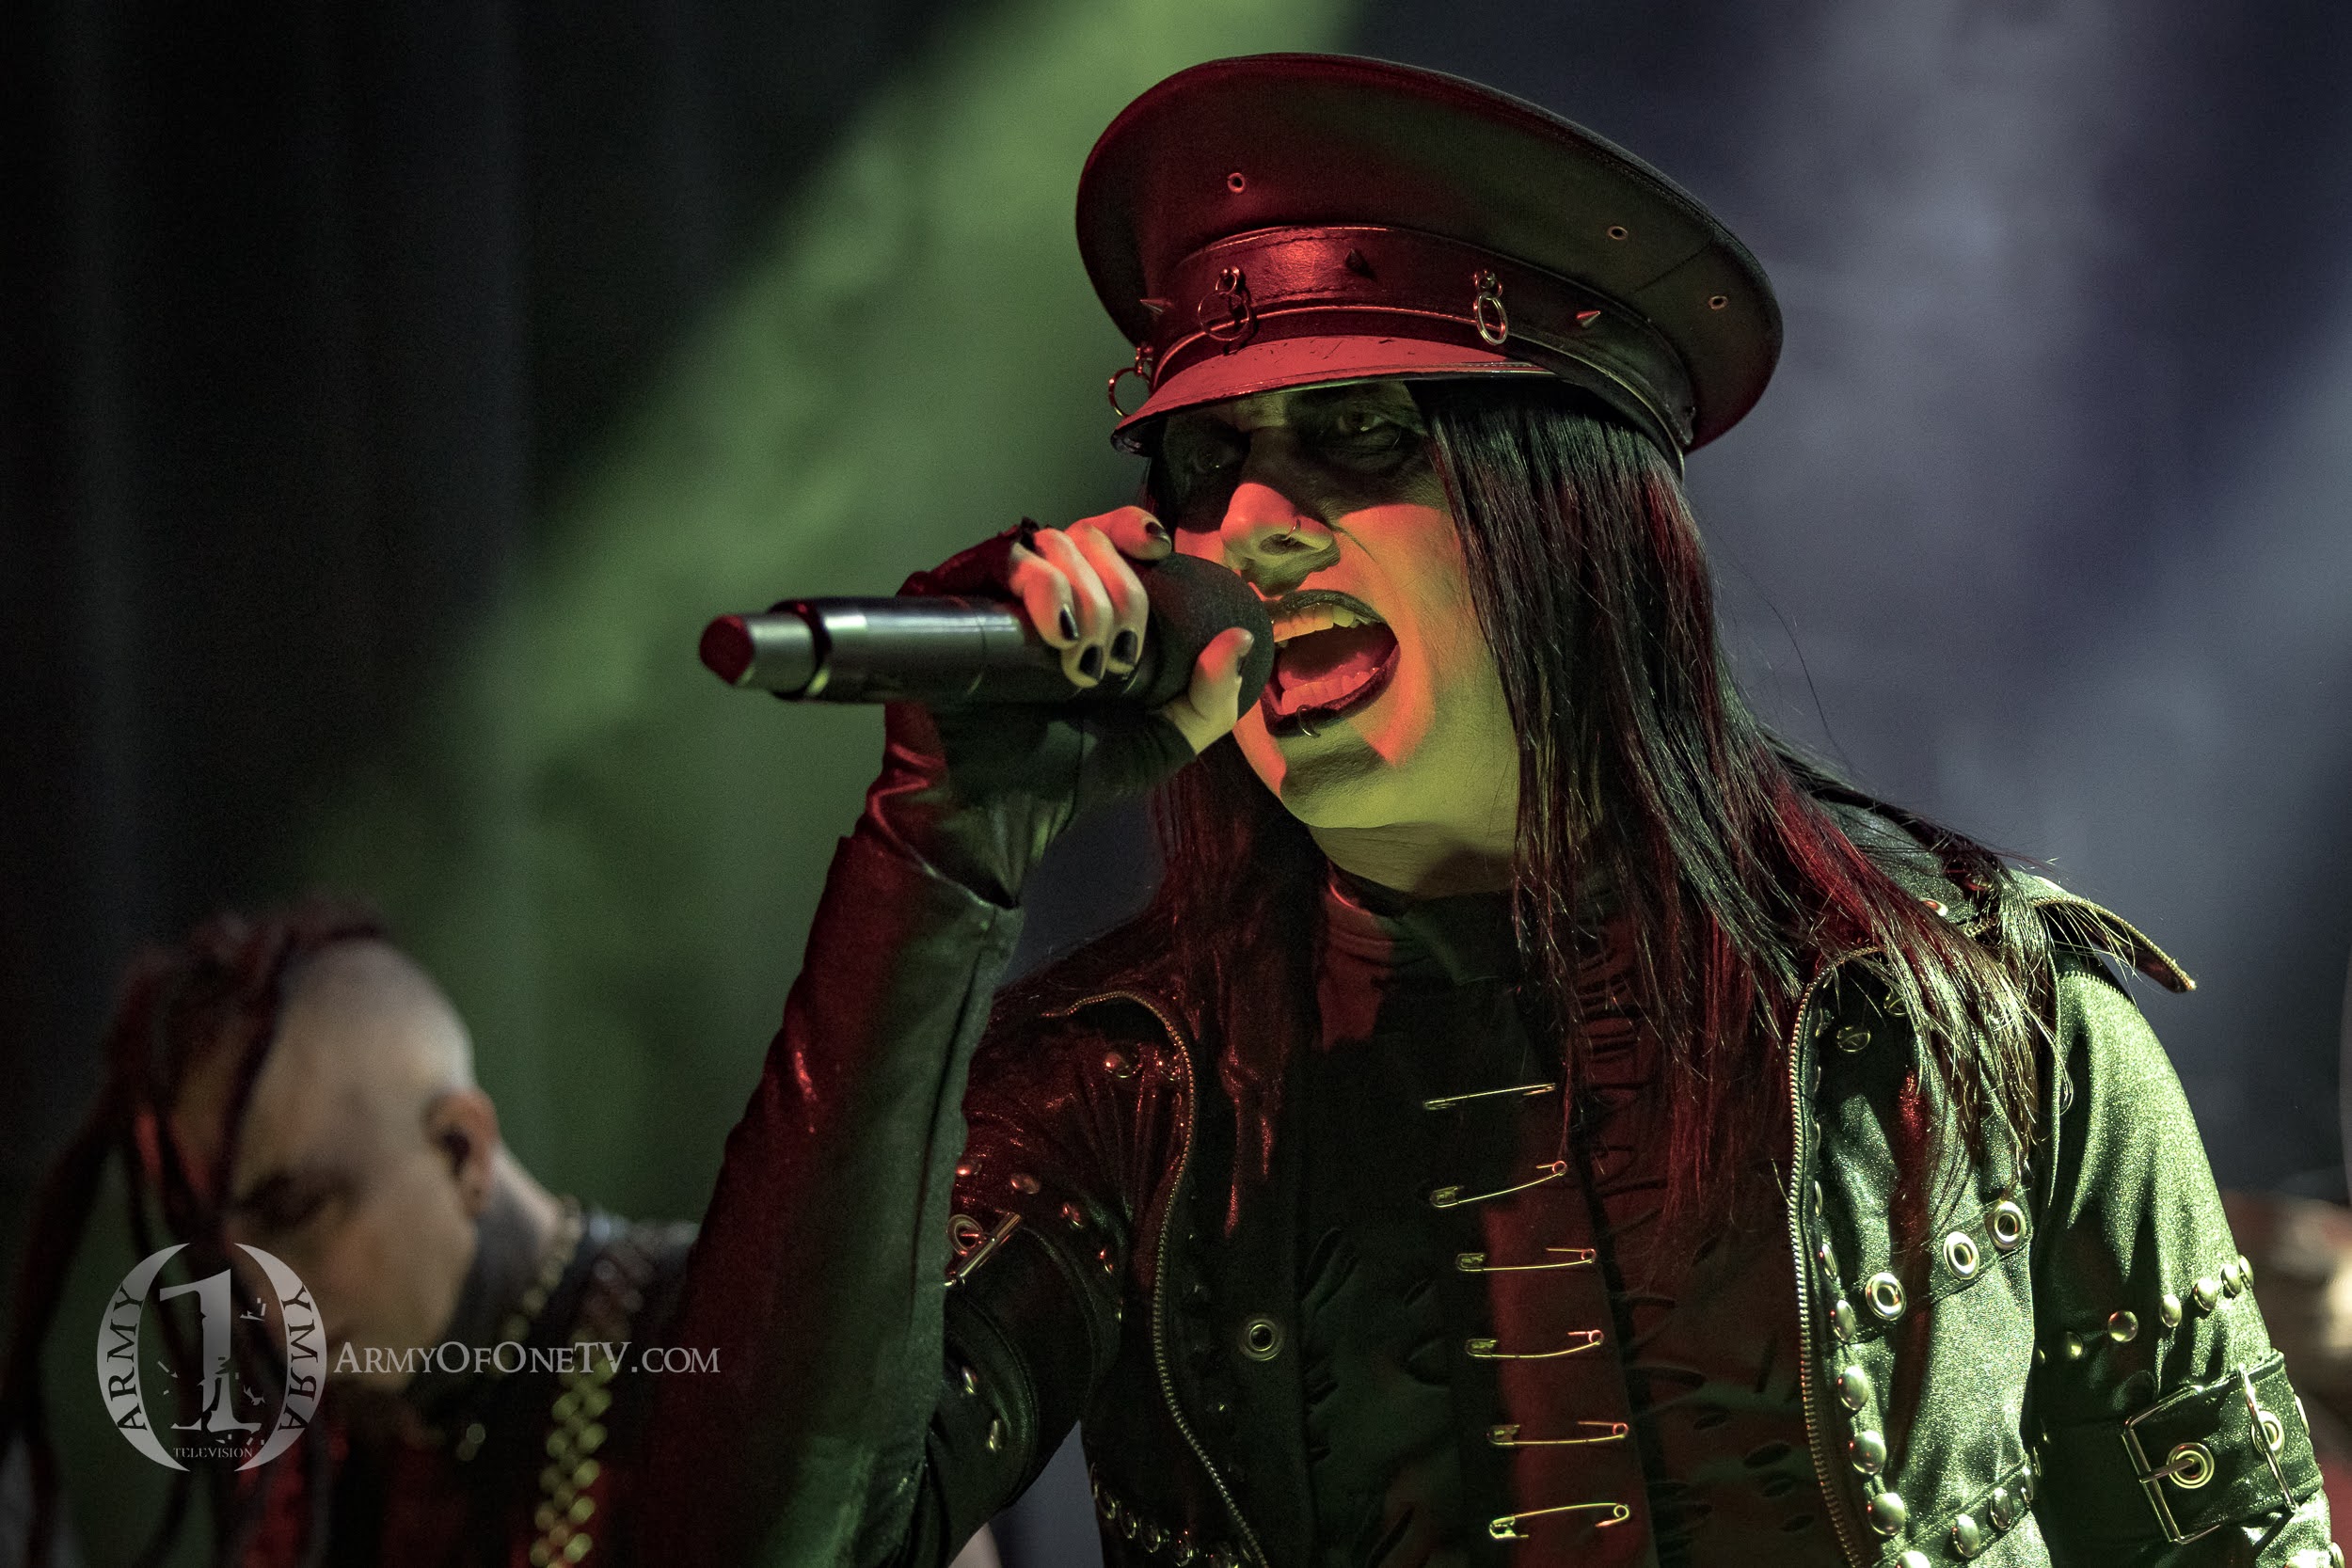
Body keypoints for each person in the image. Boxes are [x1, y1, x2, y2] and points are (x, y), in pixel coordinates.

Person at [641, 55, 2337, 1566]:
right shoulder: (1120, 1088)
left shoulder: (1991, 1012)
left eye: (1354, 433)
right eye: (1201, 463)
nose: (1251, 525)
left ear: (1579, 517)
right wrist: (938, 849)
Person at [0, 897, 697, 1568]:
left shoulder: (705, 1343)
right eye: (223, 1259)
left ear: (461, 1151)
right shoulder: (313, 1465)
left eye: (296, 1211)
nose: (265, 1309)